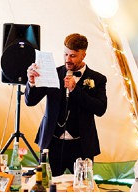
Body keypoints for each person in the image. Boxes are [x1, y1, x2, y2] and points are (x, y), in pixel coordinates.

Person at [25, 33, 107, 176]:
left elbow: (100, 109)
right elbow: (30, 101)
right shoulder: (53, 73)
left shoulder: (97, 79)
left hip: (81, 145)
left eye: (73, 56)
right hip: (52, 143)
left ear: (83, 55)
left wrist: (76, 90)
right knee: (46, 185)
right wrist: (31, 82)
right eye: (65, 54)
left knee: (82, 187)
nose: (67, 59)